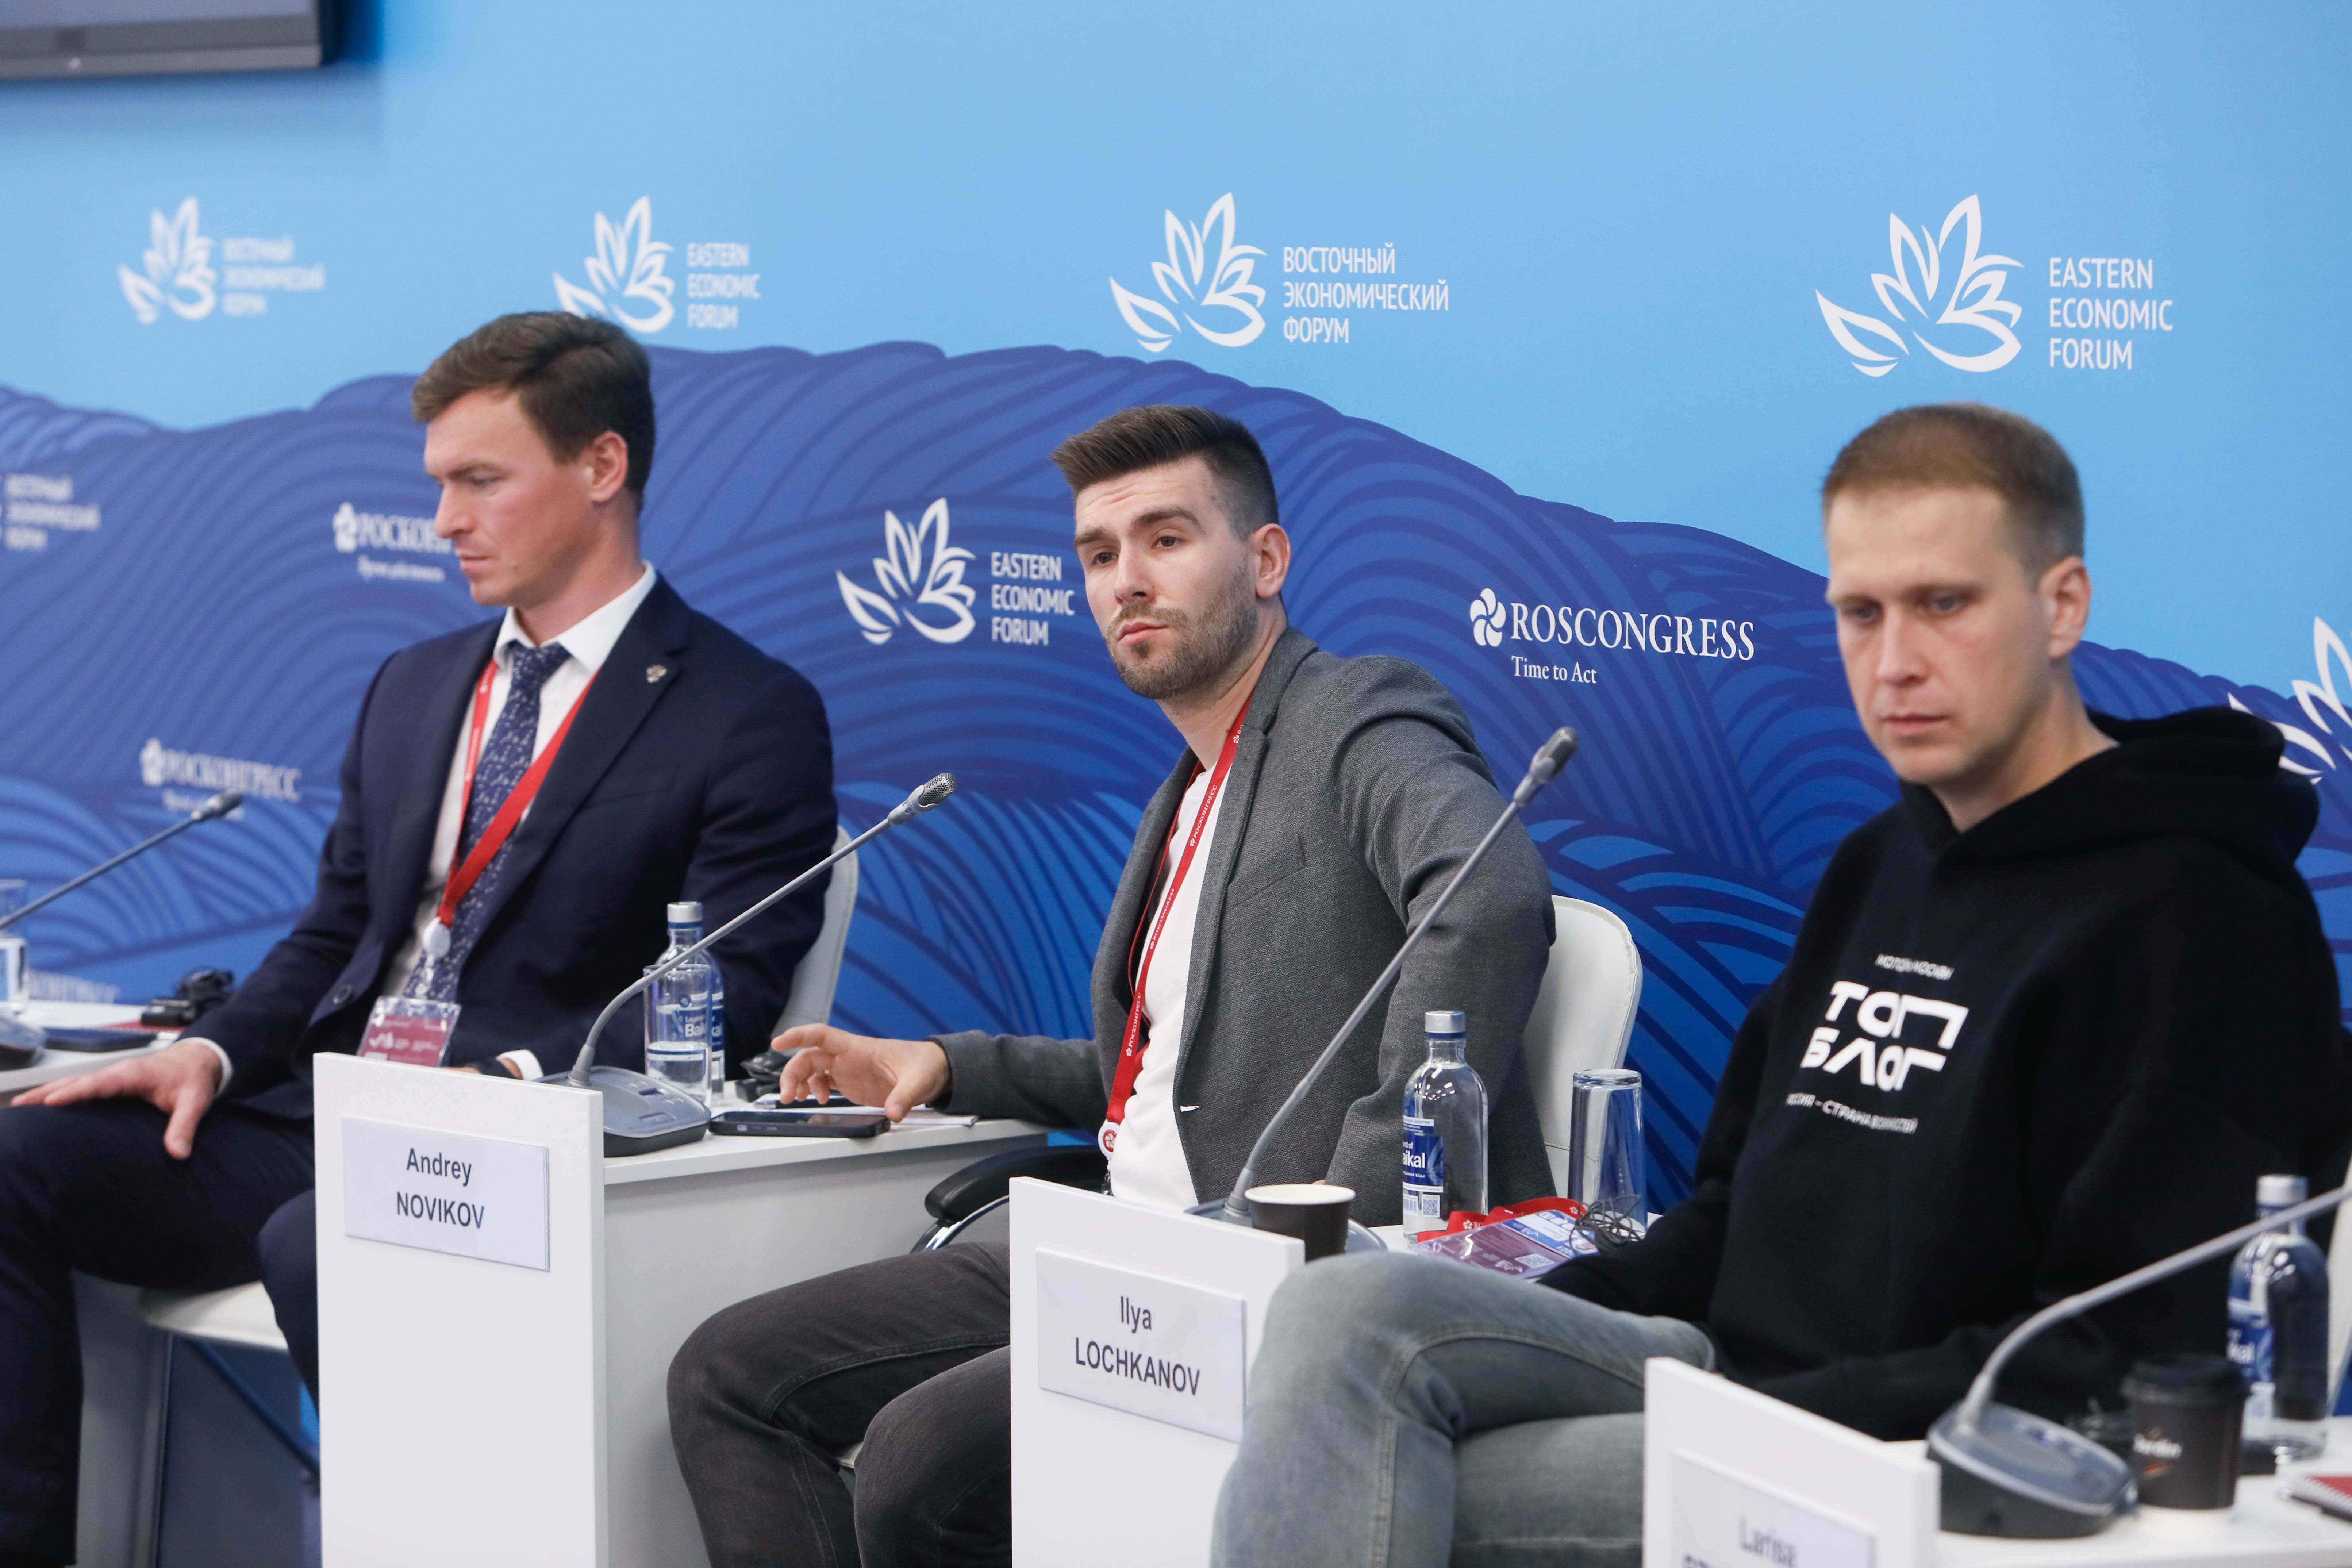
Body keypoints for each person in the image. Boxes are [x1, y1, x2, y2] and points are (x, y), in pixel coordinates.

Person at [1211, 402, 2352, 1568]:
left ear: (2061, 605)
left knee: (1368, 1471)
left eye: (1943, 605)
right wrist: (1548, 1323)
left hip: (1910, 1457)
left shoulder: (2204, 920)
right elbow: (1726, 1214)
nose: (1894, 662)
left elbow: (2115, 1355)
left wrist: (1744, 1417)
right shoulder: (1879, 862)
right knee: (1339, 1315)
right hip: (1726, 1378)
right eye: (1861, 613)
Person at [0, 312, 836, 1568]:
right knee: (20, 1154)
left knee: (324, 1240)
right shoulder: (414, 683)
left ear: (601, 467)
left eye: (480, 481)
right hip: (322, 1112)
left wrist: (510, 1083)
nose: (445, 520)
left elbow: (724, 986)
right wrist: (211, 1055)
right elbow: (334, 933)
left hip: (511, 1142)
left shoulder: (744, 710)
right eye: (440, 484)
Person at [666, 404, 1556, 1568]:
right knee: (728, 1373)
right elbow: (1183, 1069)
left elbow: (1490, 892)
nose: (1126, 580)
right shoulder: (1188, 789)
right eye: (1098, 554)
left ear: (1266, 561)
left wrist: (1336, 1222)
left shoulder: (1354, 714)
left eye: (1166, 539)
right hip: (1112, 1242)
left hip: (1250, 1275)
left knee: (920, 1463)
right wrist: (950, 1065)